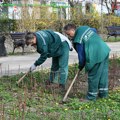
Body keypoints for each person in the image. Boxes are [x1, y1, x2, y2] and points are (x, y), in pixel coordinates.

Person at [63, 23, 111, 101]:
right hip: (104, 50)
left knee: (93, 76)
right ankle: (103, 94)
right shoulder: (85, 28)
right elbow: (94, 30)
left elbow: (82, 57)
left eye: (69, 34)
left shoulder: (78, 40)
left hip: (95, 55)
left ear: (73, 30)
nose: (69, 36)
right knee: (103, 74)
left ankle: (91, 97)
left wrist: (80, 66)